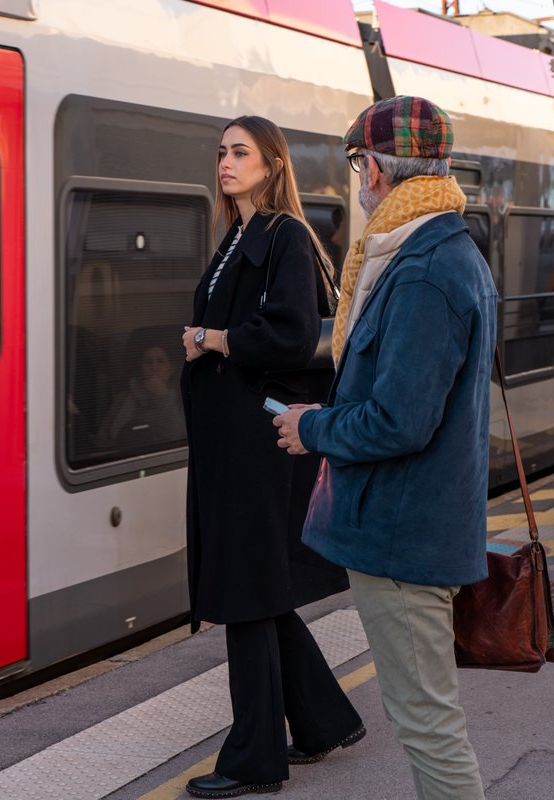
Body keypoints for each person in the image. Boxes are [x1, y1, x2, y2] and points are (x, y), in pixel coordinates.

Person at [273, 96, 494, 800]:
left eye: (357, 169)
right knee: (425, 718)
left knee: (428, 724)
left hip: (404, 539)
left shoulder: (424, 271)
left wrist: (311, 427)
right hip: (413, 529)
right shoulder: (439, 250)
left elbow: (400, 421)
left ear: (372, 170)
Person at [181, 116, 364, 799]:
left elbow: (289, 333)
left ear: (270, 164)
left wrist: (214, 339)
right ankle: (322, 720)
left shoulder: (284, 236)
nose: (225, 163)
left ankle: (255, 760)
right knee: (254, 586)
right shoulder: (239, 234)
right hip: (233, 444)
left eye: (239, 153)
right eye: (221, 151)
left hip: (258, 445)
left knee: (247, 591)